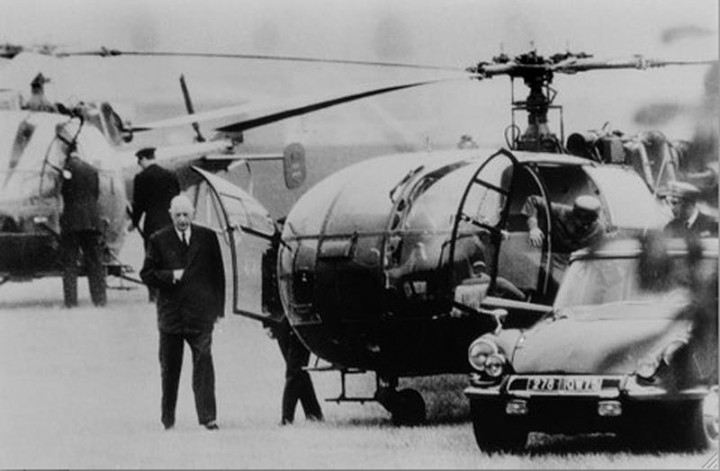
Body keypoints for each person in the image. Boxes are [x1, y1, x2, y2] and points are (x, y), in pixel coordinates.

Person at [140, 195, 225, 431]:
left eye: (186, 214)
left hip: (200, 316)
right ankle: (168, 418)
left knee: (204, 364)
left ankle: (208, 417)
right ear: (171, 215)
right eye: (177, 215)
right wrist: (170, 276)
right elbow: (146, 274)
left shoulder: (207, 238)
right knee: (170, 369)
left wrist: (218, 310)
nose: (182, 219)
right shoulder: (158, 240)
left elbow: (218, 275)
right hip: (172, 318)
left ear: (193, 214)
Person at [261, 219, 323, 426]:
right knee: (296, 368)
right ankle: (313, 413)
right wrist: (267, 322)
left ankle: (287, 418)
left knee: (294, 369)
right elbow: (266, 290)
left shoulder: (305, 254)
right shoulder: (270, 256)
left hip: (299, 316)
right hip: (280, 320)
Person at [522, 194, 607, 296]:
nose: (585, 227)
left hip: (574, 265)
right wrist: (533, 227)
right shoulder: (559, 211)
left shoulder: (599, 230)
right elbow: (533, 200)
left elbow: (597, 253)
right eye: (582, 222)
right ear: (574, 214)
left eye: (589, 223)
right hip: (550, 260)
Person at [129, 147, 180, 301]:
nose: (140, 165)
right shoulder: (171, 175)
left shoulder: (141, 178)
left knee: (152, 260)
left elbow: (139, 205)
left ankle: (154, 294)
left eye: (139, 161)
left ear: (143, 159)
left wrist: (134, 222)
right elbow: (177, 198)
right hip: (170, 224)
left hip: (152, 224)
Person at [59, 153, 107, 308]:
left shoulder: (66, 170)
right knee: (94, 261)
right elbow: (96, 194)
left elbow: (64, 194)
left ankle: (71, 302)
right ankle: (99, 300)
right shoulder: (92, 169)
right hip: (92, 221)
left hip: (72, 222)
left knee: (70, 263)